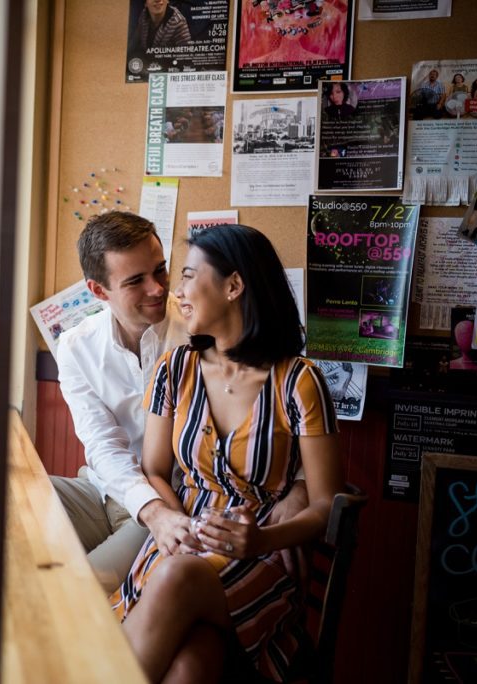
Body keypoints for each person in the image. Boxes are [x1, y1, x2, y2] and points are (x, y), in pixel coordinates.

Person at [110, 224, 343, 683]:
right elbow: (155, 471)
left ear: (234, 286)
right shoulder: (174, 369)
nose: (177, 293)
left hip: (262, 557)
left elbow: (325, 505)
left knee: (178, 578)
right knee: (191, 663)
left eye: (189, 276)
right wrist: (178, 524)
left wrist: (261, 541)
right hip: (182, 538)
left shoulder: (299, 381)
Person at [52, 212, 308, 595]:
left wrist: (300, 487)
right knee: (3, 501)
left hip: (180, 501)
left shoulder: (202, 328)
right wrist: (151, 510)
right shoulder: (75, 346)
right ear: (99, 291)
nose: (158, 289)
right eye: (136, 281)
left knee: (74, 590)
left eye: (161, 270)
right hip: (108, 491)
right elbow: (102, 445)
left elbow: (278, 410)